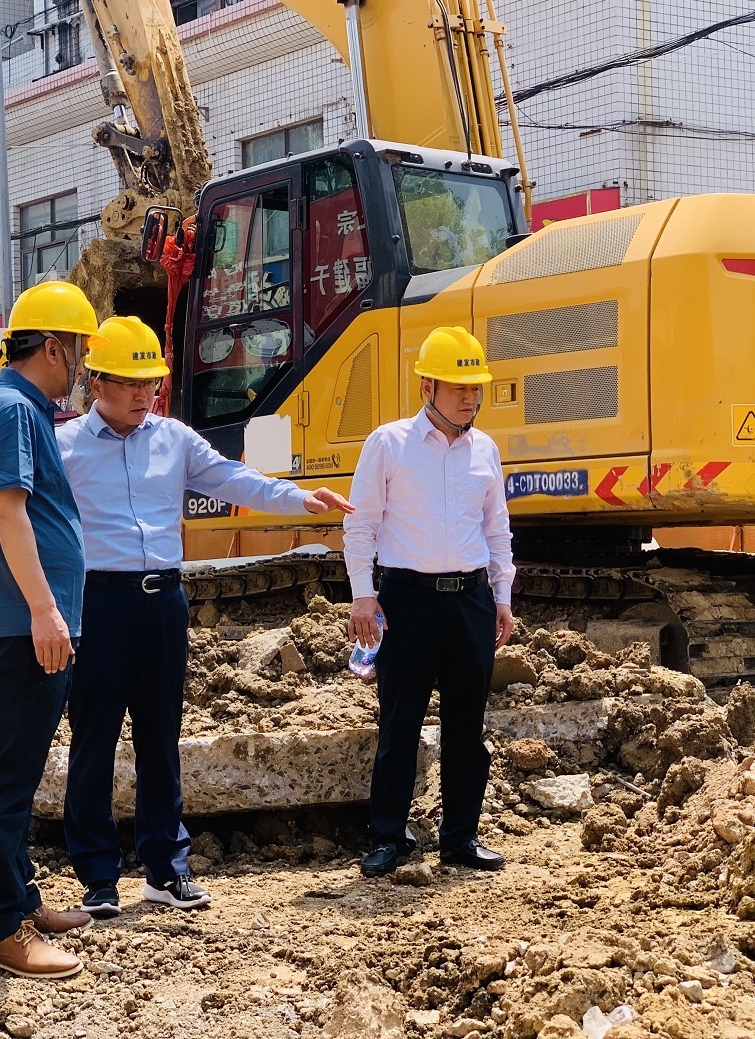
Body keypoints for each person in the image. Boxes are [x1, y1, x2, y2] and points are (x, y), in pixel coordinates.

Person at [57, 316, 354, 916]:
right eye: (130, 382)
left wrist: (300, 498)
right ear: (96, 382)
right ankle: (97, 876)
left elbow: (233, 479)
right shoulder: (64, 446)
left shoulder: (175, 439)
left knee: (160, 736)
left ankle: (166, 870)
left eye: (150, 383)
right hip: (98, 601)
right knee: (93, 738)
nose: (144, 394)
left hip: (164, 601)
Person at [0, 281, 101, 979]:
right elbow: (10, 512)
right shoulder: (14, 409)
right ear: (52, 347)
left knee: (16, 766)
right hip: (25, 623)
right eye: (78, 350)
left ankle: (18, 897)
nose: (83, 365)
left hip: (26, 619)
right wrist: (45, 609)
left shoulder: (13, 407)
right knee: (10, 774)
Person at [342, 326, 516, 878]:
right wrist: (363, 596)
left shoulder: (485, 450)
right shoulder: (388, 444)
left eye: (475, 388)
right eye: (458, 387)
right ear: (427, 387)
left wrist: (502, 596)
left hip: (470, 600)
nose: (469, 398)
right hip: (407, 601)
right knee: (400, 724)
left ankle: (461, 836)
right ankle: (389, 836)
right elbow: (362, 525)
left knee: (467, 726)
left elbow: (496, 529)